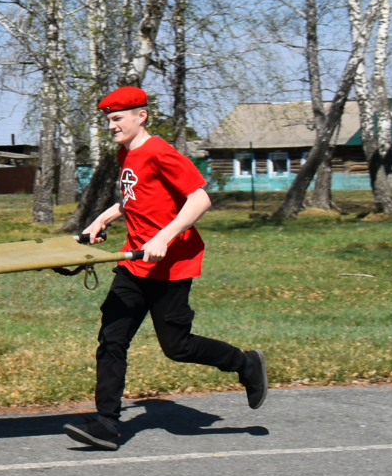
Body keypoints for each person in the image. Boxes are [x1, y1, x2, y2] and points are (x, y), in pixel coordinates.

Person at [64, 86, 268, 451]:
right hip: (134, 263)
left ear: (141, 116)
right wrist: (103, 219)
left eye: (117, 119)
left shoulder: (160, 151)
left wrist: (165, 237)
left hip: (170, 266)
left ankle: (246, 363)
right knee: (112, 338)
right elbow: (135, 198)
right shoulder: (127, 152)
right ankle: (107, 424)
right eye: (108, 120)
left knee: (177, 347)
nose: (111, 126)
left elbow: (200, 198)